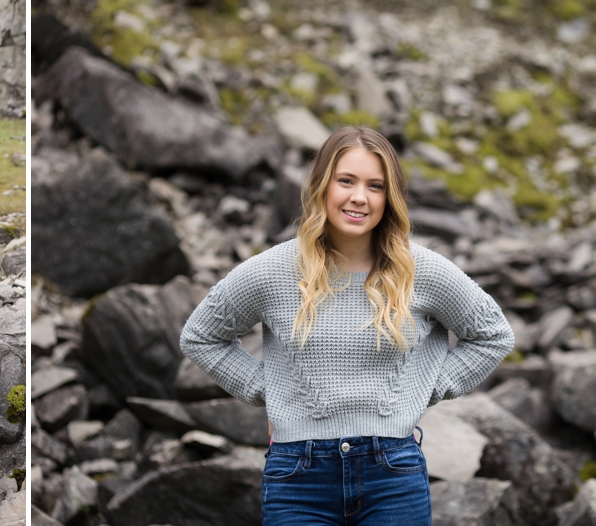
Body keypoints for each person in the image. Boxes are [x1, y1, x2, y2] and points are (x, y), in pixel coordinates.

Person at [181, 125, 515, 523]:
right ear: (322, 185)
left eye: (375, 186)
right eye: (346, 181)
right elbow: (201, 336)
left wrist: (426, 386)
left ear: (389, 197)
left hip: (392, 476)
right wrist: (267, 390)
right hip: (297, 479)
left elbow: (493, 335)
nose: (360, 196)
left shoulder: (419, 269)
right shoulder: (273, 271)